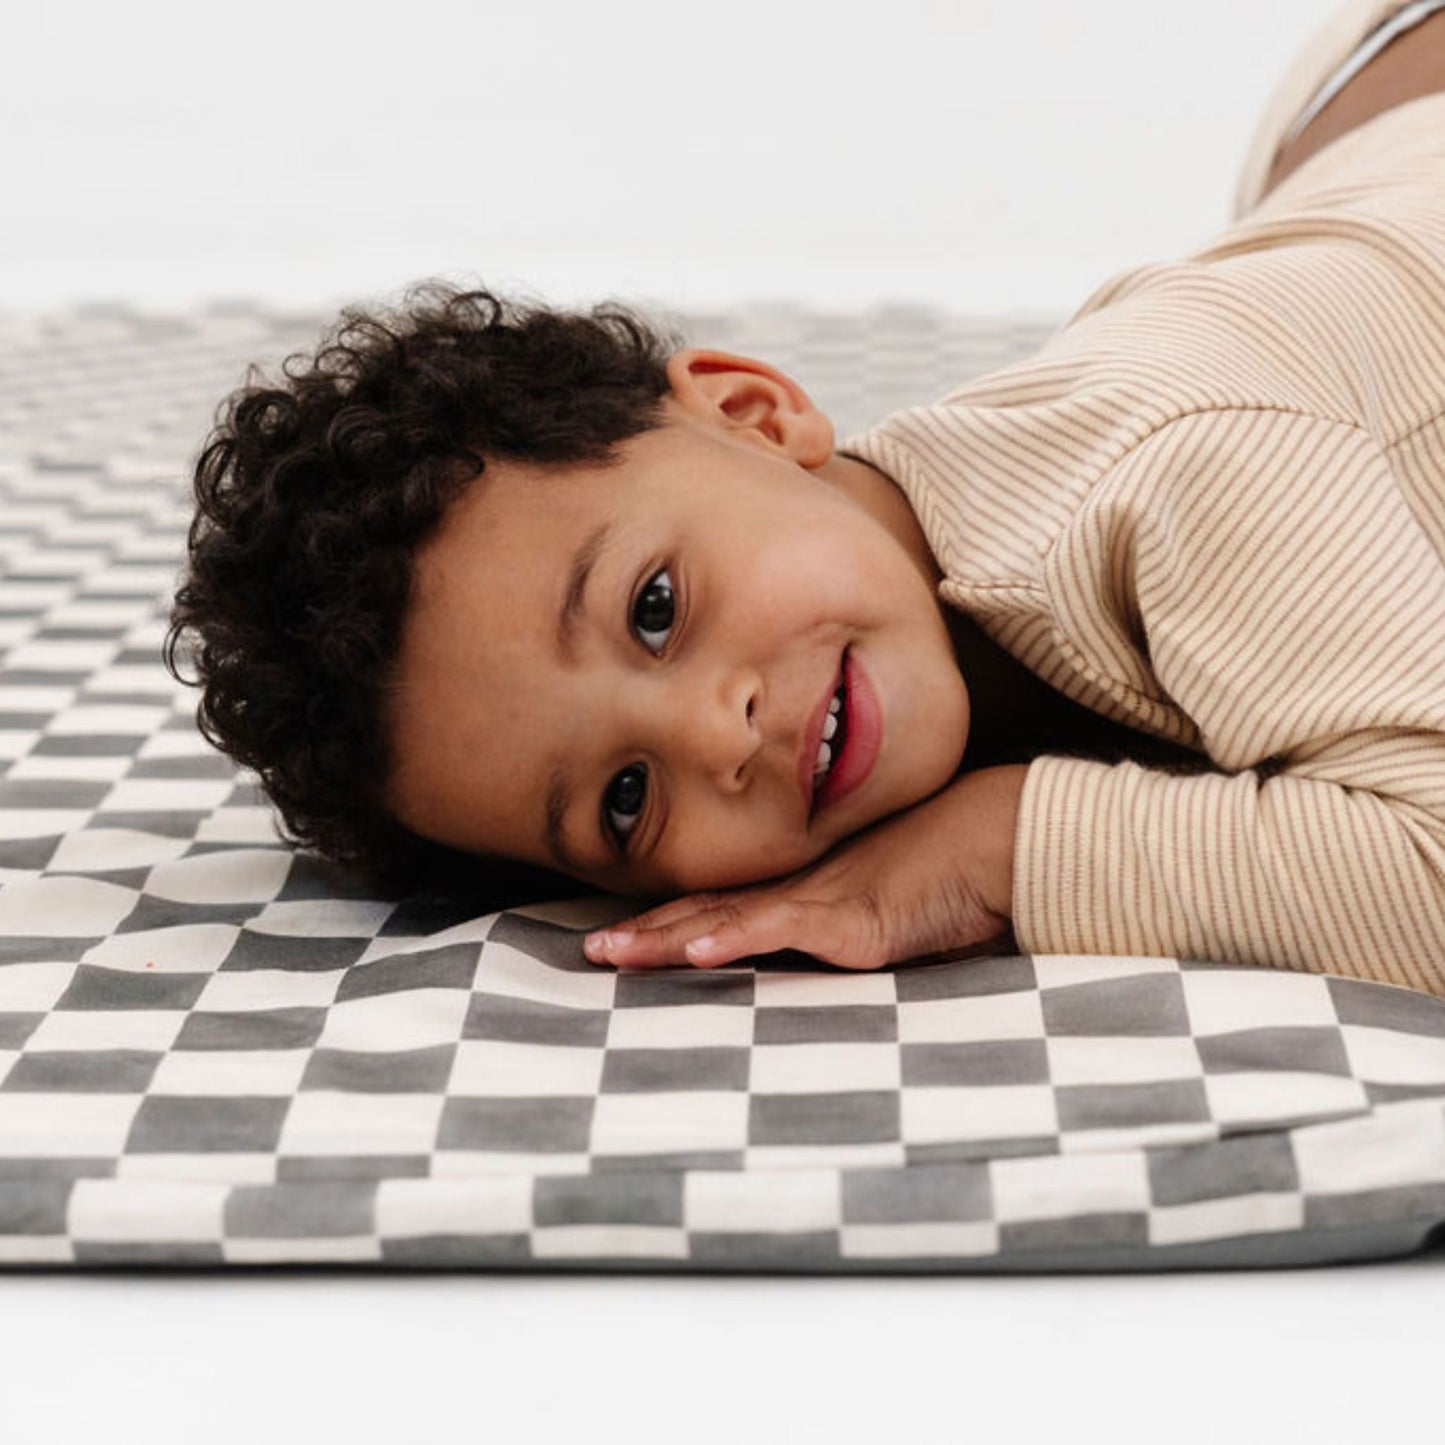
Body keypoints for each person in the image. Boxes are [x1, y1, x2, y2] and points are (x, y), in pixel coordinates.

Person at [166, 0, 1445, 994]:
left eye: (653, 607)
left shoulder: (1184, 471)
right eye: (625, 798)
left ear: (753, 413)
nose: (714, 735)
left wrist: (1002, 842)